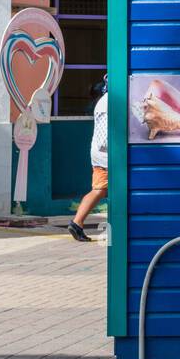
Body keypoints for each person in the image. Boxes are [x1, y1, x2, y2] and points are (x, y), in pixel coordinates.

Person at [69, 78, 108, 242]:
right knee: (100, 189)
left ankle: (77, 223)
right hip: (107, 153)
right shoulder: (112, 102)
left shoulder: (102, 101)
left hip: (99, 152)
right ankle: (77, 222)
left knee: (100, 189)